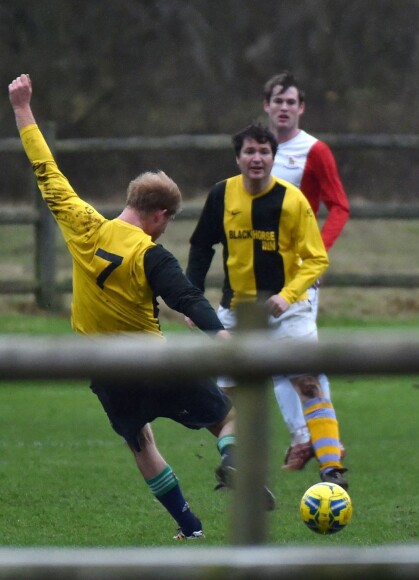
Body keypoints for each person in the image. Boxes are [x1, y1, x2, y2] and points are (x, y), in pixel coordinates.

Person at [8, 74, 274, 542]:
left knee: (141, 441)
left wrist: (22, 108)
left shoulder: (84, 225)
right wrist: (221, 335)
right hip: (153, 360)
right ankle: (233, 462)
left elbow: (45, 169)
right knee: (228, 416)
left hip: (104, 368)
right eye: (168, 222)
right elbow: (186, 297)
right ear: (160, 214)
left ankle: (189, 528)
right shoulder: (150, 254)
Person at [186, 122, 349, 489]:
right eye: (250, 152)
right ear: (238, 157)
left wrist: (286, 295)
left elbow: (316, 260)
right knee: (227, 398)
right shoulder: (221, 195)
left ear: (274, 158)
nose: (256, 158)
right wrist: (191, 300)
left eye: (264, 152)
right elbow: (201, 248)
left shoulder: (292, 200)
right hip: (237, 310)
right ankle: (238, 468)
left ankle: (331, 466)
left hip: (289, 310)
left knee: (305, 380)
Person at [263, 71, 350, 471]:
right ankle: (313, 438)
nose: (283, 108)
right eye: (277, 101)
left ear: (301, 108)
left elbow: (339, 206)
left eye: (290, 102)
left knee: (298, 356)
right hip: (260, 271)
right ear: (267, 106)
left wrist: (317, 254)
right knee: (273, 359)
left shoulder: (314, 150)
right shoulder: (257, 149)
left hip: (298, 272)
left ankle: (314, 440)